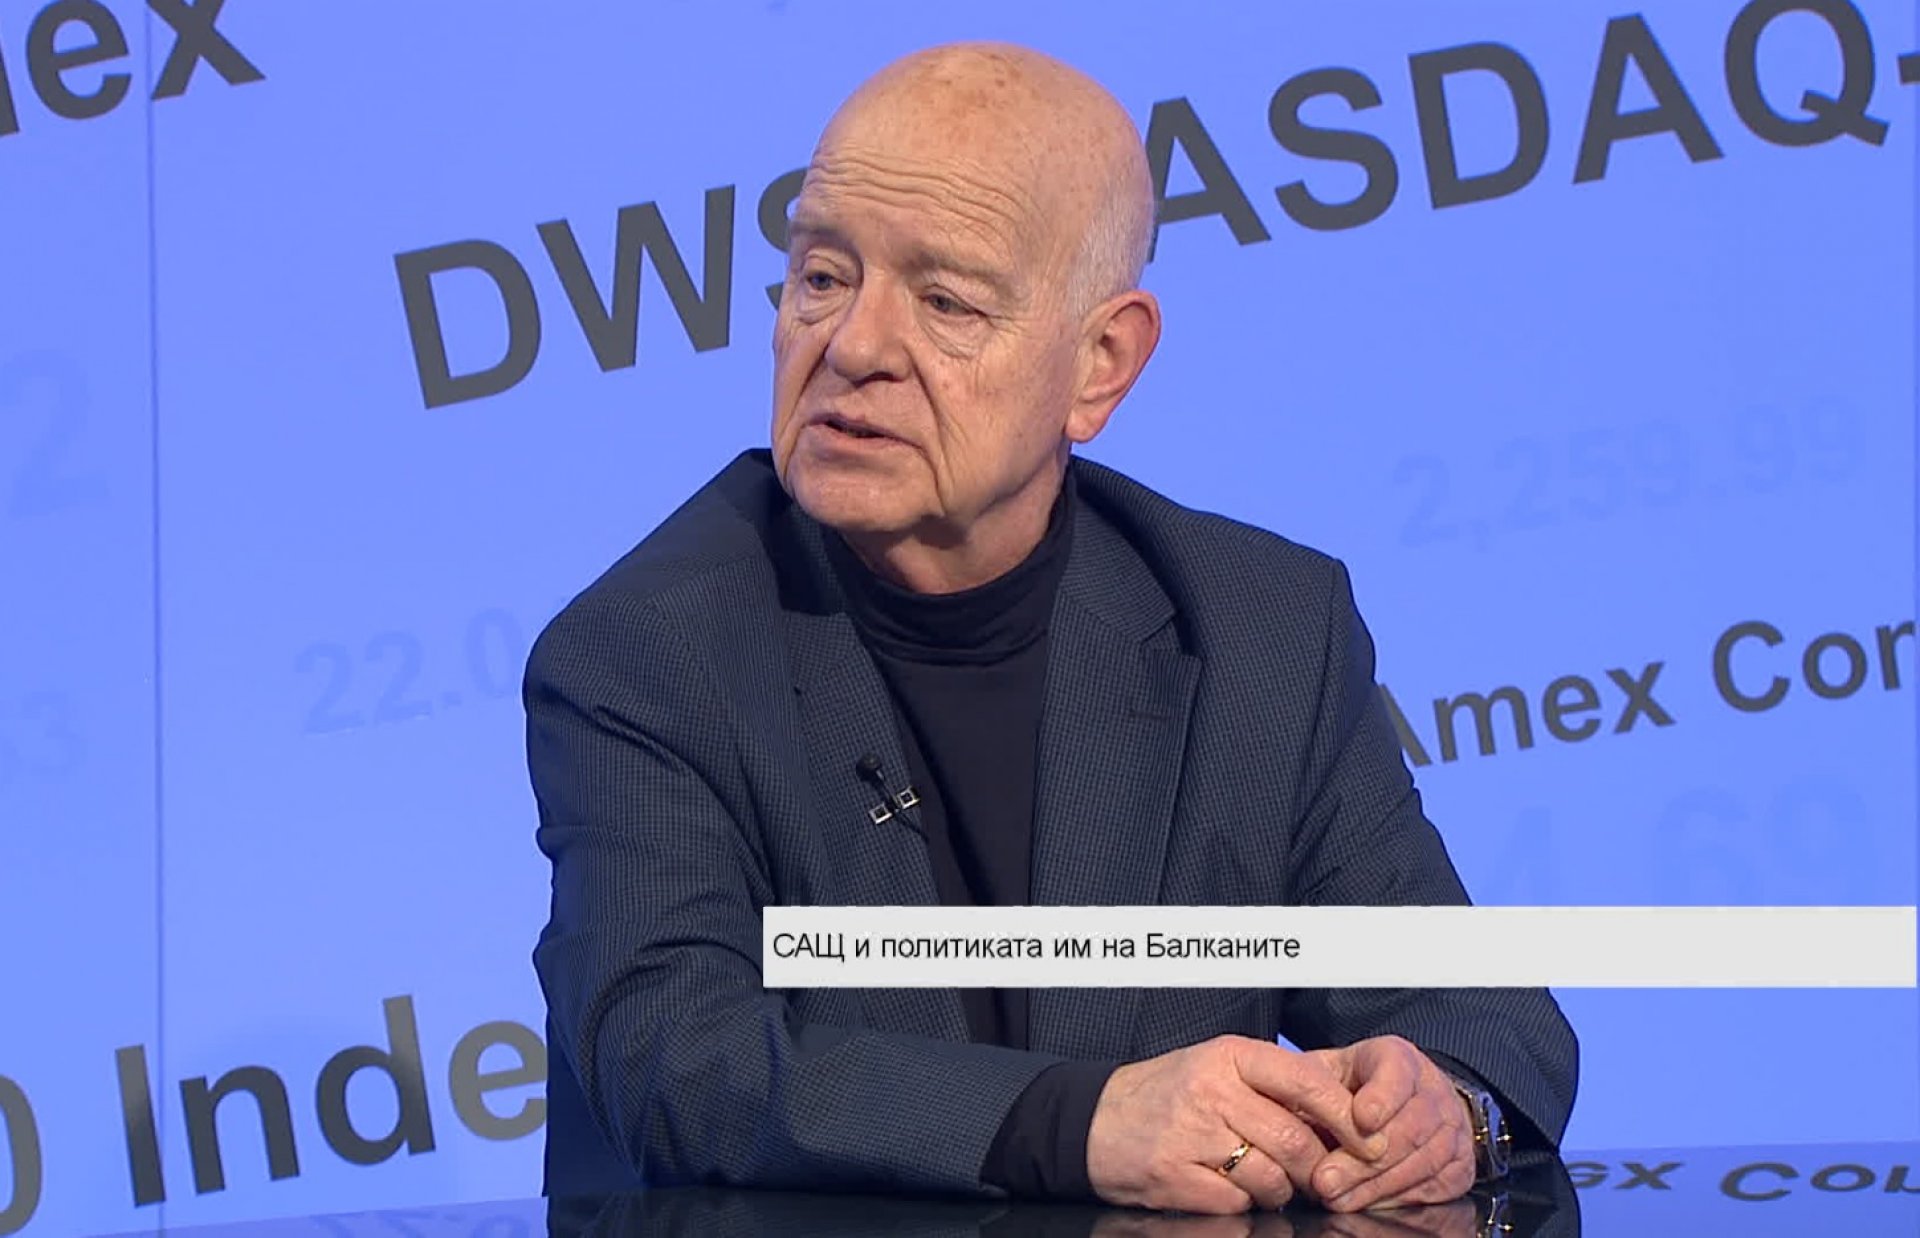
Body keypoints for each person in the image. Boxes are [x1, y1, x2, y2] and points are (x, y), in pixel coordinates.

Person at [526, 40, 1577, 1216]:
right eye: (821, 275)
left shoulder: (1262, 629)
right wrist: (1078, 1123)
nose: (853, 347)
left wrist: (1439, 1104)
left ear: (1100, 363)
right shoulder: (645, 651)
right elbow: (680, 1062)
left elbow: (1482, 1014)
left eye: (944, 301)